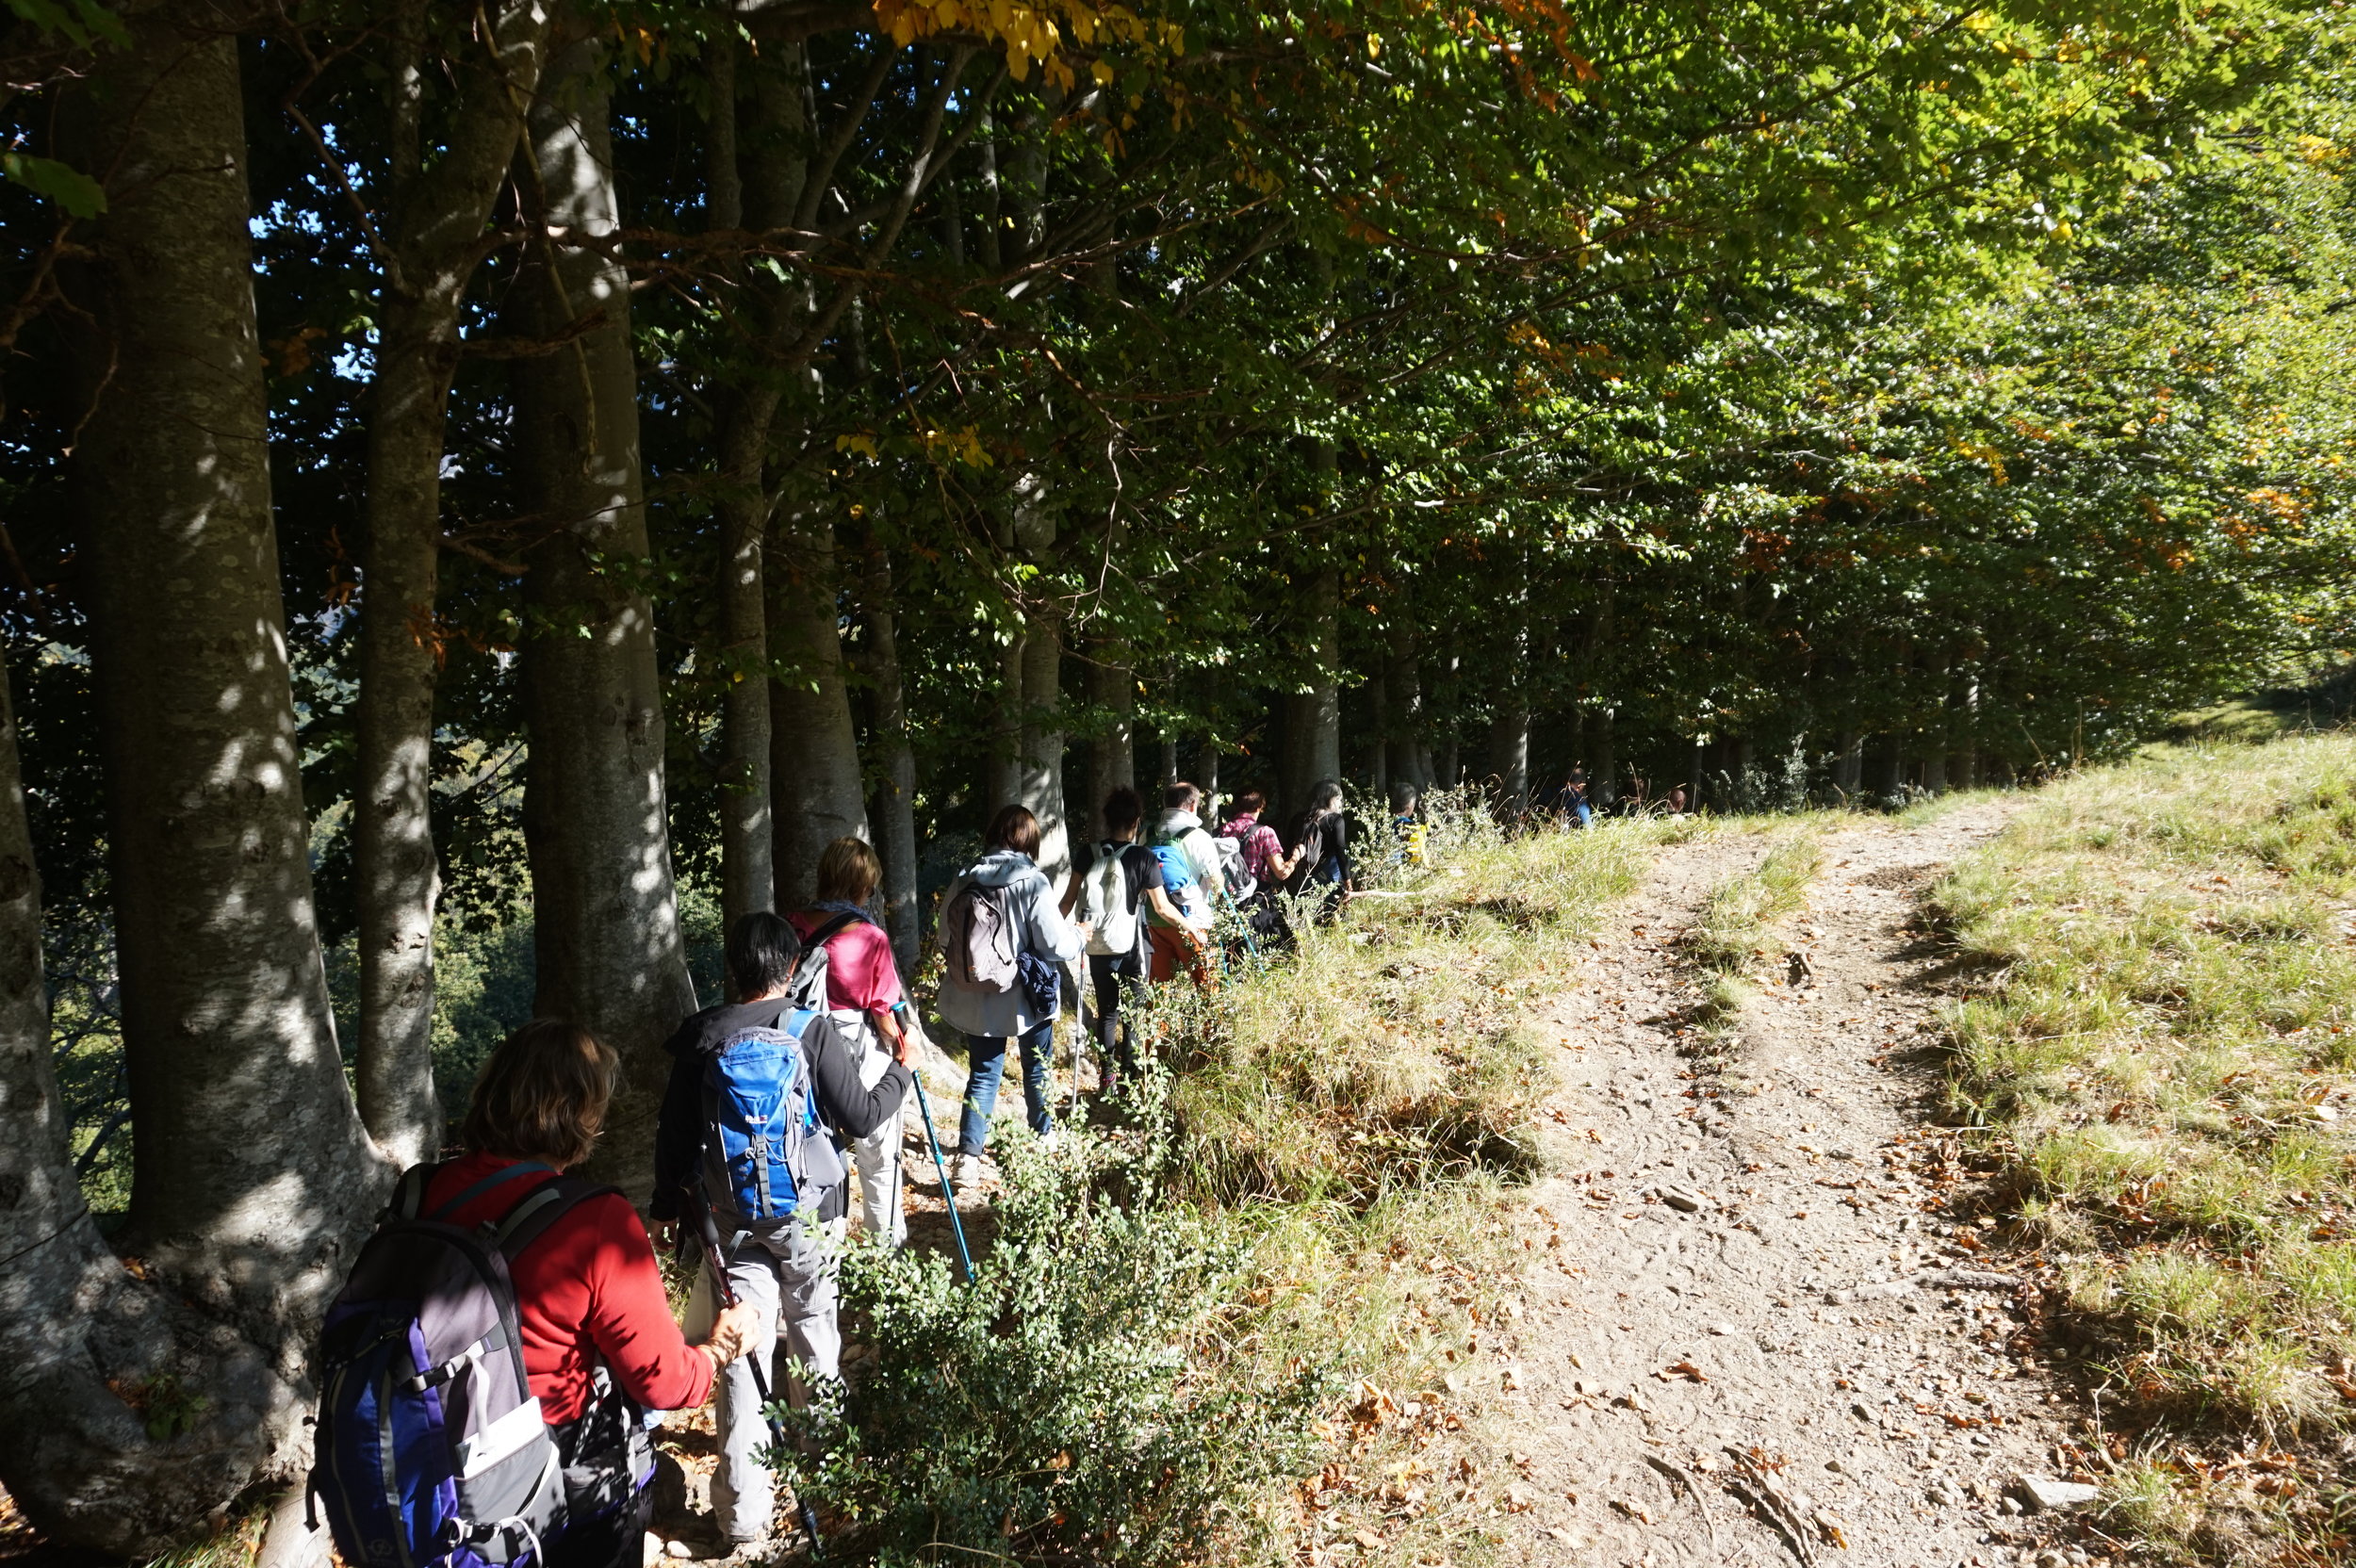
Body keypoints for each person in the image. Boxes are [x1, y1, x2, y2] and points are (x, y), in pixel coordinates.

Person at [423, 1021, 761, 1568]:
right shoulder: (595, 1222)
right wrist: (719, 1348)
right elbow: (666, 1383)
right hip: (542, 1483)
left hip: (425, 1468)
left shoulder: (424, 1190)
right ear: (581, 1115)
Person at [649, 912, 913, 1555]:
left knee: (740, 1351)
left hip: (730, 1227)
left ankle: (741, 1515)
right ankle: (827, 1475)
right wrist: (900, 1069)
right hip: (809, 1219)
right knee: (816, 1332)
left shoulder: (701, 1039)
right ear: (791, 969)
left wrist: (665, 1211)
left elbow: (674, 1143)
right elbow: (860, 1117)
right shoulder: (810, 1030)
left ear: (730, 972)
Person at [936, 805, 1089, 1185]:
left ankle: (967, 1159)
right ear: (1029, 842)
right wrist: (1080, 936)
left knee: (983, 1074)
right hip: (1028, 997)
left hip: (975, 997)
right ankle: (1044, 1136)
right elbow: (1053, 944)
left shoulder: (965, 878)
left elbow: (944, 937)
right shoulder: (1033, 882)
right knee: (1036, 1065)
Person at [789, 836, 922, 1247]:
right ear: (861, 885)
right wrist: (906, 1047)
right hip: (859, 1047)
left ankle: (818, 1248)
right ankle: (885, 1257)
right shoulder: (869, 938)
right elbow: (883, 1013)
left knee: (810, 1151)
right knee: (880, 1158)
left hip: (801, 1049)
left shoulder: (793, 924)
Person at [1062, 787, 1186, 1094]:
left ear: (1106, 820)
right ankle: (1129, 1080)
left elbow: (1066, 902)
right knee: (1132, 1013)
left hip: (1097, 944)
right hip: (1134, 947)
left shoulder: (1087, 853)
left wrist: (1048, 934)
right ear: (1137, 822)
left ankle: (1107, 1080)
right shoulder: (1143, 857)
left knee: (1107, 1013)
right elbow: (1162, 908)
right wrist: (1190, 928)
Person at [1286, 778, 1354, 918]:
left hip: (1302, 877)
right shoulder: (1335, 820)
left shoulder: (1298, 818)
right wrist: (1348, 882)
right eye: (1338, 799)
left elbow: (1287, 847)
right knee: (1329, 915)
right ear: (1331, 799)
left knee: (1305, 915)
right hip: (1327, 876)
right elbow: (1341, 852)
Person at [1218, 788, 1297, 887]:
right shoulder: (1264, 832)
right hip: (1255, 894)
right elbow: (1281, 873)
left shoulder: (1222, 830)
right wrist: (1296, 857)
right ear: (1259, 807)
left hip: (1227, 895)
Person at [1389, 781, 1427, 866]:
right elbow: (1414, 855)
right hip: (1395, 870)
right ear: (1409, 806)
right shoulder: (1408, 826)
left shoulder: (1381, 820)